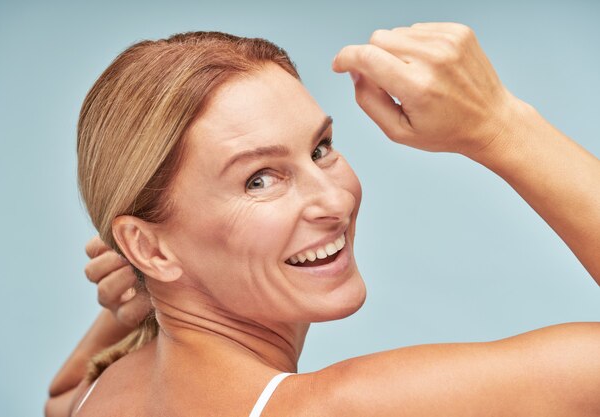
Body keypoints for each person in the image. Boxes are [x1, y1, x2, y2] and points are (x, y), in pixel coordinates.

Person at [46, 23, 600, 417]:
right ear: (148, 246)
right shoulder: (341, 408)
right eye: (259, 179)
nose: (334, 201)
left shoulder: (100, 397)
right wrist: (499, 126)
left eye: (321, 149)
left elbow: (61, 395)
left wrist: (151, 289)